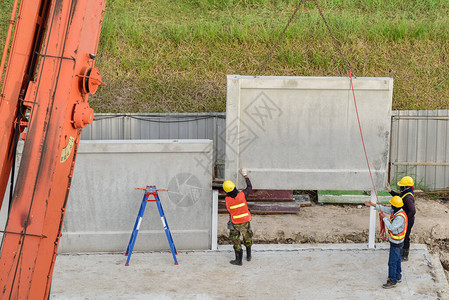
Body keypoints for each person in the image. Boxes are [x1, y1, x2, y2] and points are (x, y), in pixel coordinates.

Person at [365, 196, 408, 289]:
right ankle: (397, 275)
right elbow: (385, 209)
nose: (390, 206)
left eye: (392, 204)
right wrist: (373, 205)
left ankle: (392, 280)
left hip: (396, 243)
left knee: (392, 262)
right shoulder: (398, 211)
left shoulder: (399, 217)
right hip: (398, 242)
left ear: (395, 206)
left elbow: (391, 227)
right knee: (397, 259)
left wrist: (384, 218)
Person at [222, 168, 253, 266]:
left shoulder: (227, 200)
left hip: (235, 223)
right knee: (247, 237)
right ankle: (248, 256)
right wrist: (245, 175)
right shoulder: (242, 195)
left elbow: (230, 210)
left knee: (235, 240)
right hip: (245, 221)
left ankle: (238, 260)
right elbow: (249, 187)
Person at [387, 176, 416, 261]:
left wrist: (405, 219)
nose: (400, 187)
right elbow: (399, 197)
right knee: (402, 235)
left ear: (406, 187)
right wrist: (391, 191)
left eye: (402, 186)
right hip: (405, 219)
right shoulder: (405, 193)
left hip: (408, 220)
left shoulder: (408, 198)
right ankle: (400, 251)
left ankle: (405, 255)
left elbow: (413, 211)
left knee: (406, 236)